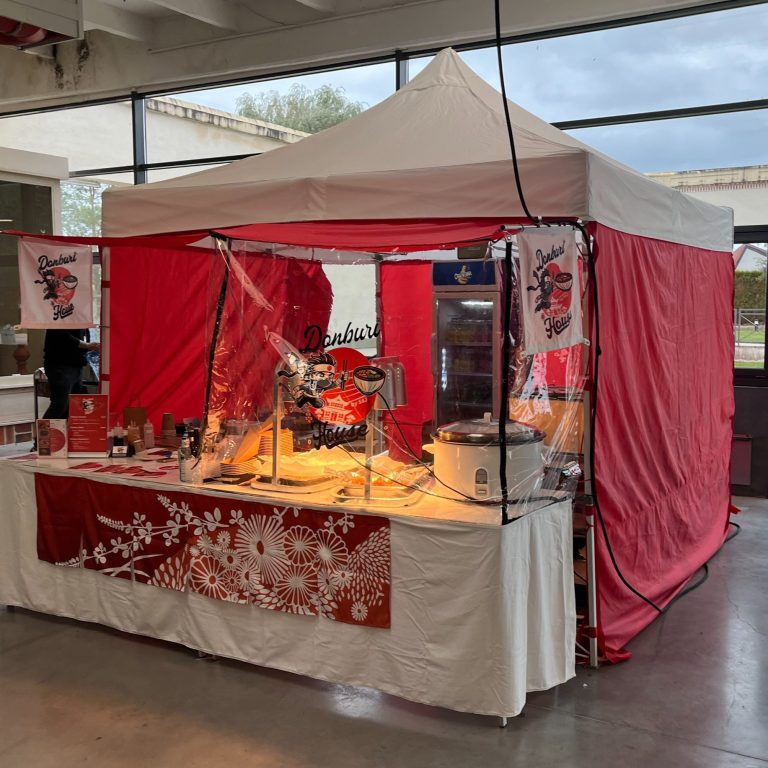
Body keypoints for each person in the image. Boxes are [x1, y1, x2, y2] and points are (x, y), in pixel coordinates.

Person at [42, 329, 99, 419]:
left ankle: (63, 427)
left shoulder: (81, 322)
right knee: (60, 405)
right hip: (60, 363)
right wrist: (87, 345)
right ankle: (45, 428)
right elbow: (61, 335)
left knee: (73, 406)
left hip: (76, 364)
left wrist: (89, 346)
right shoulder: (58, 323)